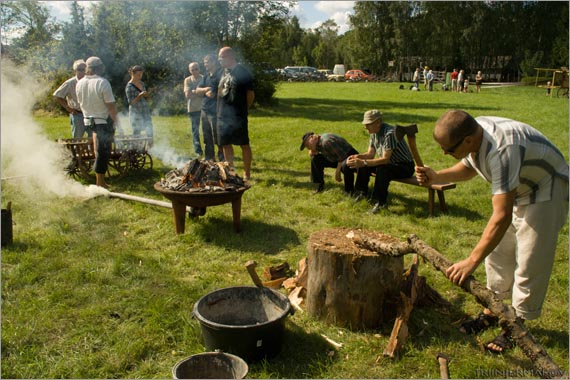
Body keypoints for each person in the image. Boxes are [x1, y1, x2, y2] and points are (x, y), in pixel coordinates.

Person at [416, 110, 568, 353]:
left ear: (467, 141)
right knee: (498, 251)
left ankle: (516, 325)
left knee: (531, 258)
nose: (444, 153)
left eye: (447, 149)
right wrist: (437, 176)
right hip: (520, 186)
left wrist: (471, 261)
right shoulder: (475, 134)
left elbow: (501, 216)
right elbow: (469, 167)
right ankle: (492, 309)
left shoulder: (502, 150)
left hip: (546, 187)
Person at [347, 110, 415, 214]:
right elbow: (370, 154)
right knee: (364, 164)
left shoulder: (390, 133)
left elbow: (385, 159)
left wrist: (363, 162)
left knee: (382, 169)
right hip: (390, 164)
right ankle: (362, 193)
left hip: (404, 166)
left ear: (378, 122)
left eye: (368, 124)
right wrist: (357, 157)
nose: (365, 127)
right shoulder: (373, 133)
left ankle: (380, 203)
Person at [76, 56, 120, 189]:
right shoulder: (102, 82)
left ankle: (100, 180)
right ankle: (100, 182)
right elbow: (110, 106)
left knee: (98, 149)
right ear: (98, 68)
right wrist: (116, 121)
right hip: (102, 120)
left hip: (88, 120)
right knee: (103, 151)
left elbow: (81, 103)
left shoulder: (80, 83)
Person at [217, 46, 254, 181]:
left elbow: (250, 94)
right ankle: (231, 171)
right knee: (226, 144)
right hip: (222, 115)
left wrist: (244, 109)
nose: (219, 60)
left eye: (221, 57)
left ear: (230, 57)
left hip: (238, 115)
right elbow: (219, 90)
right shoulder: (222, 72)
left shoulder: (243, 72)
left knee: (244, 144)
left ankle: (247, 173)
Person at [196, 54, 224, 161]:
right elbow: (198, 90)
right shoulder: (206, 76)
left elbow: (214, 93)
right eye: (204, 63)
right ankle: (209, 158)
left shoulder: (220, 74)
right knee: (207, 135)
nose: (205, 65)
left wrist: (210, 91)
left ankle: (222, 159)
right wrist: (205, 89)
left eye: (207, 62)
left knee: (218, 135)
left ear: (213, 62)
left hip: (216, 110)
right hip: (205, 110)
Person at [53, 59, 91, 139]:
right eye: (80, 70)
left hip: (90, 114)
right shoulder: (70, 83)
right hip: (77, 114)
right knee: (77, 139)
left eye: (85, 69)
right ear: (75, 71)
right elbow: (57, 95)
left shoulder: (90, 81)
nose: (83, 72)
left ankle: (91, 151)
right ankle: (76, 151)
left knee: (92, 139)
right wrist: (68, 108)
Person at [125, 65, 153, 139]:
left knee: (150, 132)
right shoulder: (129, 87)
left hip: (145, 112)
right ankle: (136, 149)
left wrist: (147, 96)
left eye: (141, 74)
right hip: (136, 114)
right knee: (137, 133)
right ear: (132, 74)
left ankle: (151, 149)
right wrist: (140, 95)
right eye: (138, 75)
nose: (140, 76)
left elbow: (146, 98)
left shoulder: (142, 84)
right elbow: (131, 103)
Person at [184, 62, 203, 157]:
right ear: (189, 70)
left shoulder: (204, 78)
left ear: (199, 69)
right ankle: (198, 151)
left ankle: (209, 150)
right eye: (192, 70)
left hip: (204, 108)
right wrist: (199, 92)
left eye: (196, 69)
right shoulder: (187, 80)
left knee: (207, 130)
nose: (195, 71)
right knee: (195, 131)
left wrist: (194, 91)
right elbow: (187, 95)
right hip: (193, 109)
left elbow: (208, 93)